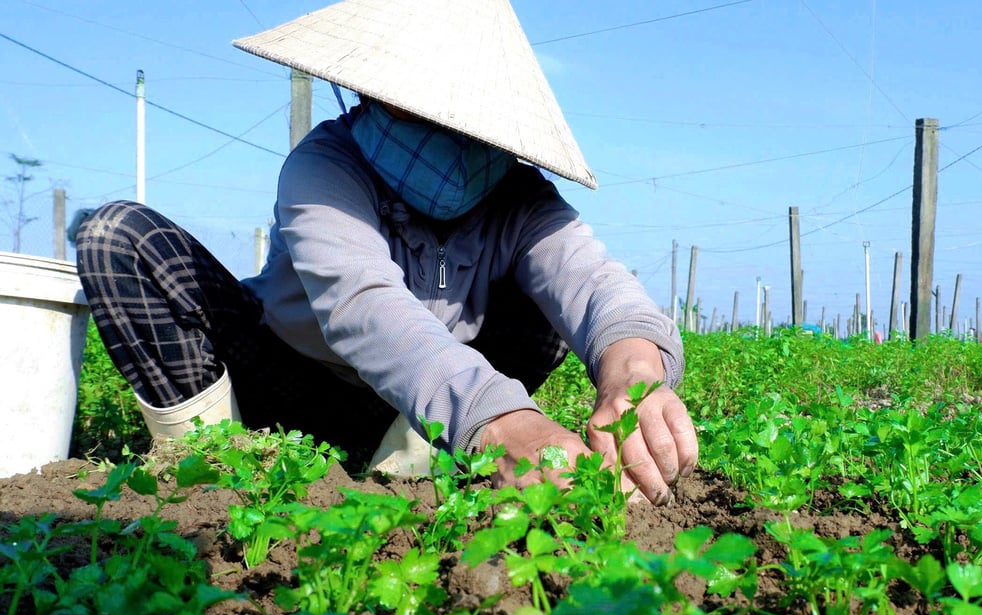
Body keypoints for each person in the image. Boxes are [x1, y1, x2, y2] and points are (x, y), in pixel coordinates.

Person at [73, 0, 696, 505]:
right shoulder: (327, 165)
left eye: (462, 117)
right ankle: (209, 477)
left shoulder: (520, 199)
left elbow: (592, 285)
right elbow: (363, 305)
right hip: (282, 374)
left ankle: (412, 473)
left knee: (543, 316)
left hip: (409, 415)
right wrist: (503, 420)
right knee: (120, 238)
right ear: (370, 94)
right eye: (418, 106)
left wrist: (635, 380)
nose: (444, 132)